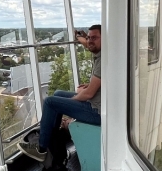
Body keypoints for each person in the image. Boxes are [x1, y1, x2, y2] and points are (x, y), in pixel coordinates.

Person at [19, 25, 101, 163]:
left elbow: (88, 94)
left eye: (94, 37)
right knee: (58, 94)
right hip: (99, 104)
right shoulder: (103, 53)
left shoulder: (103, 59)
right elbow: (89, 45)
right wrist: (80, 37)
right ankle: (52, 137)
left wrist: (75, 98)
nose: (90, 41)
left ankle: (41, 148)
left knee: (50, 102)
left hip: (97, 112)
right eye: (89, 37)